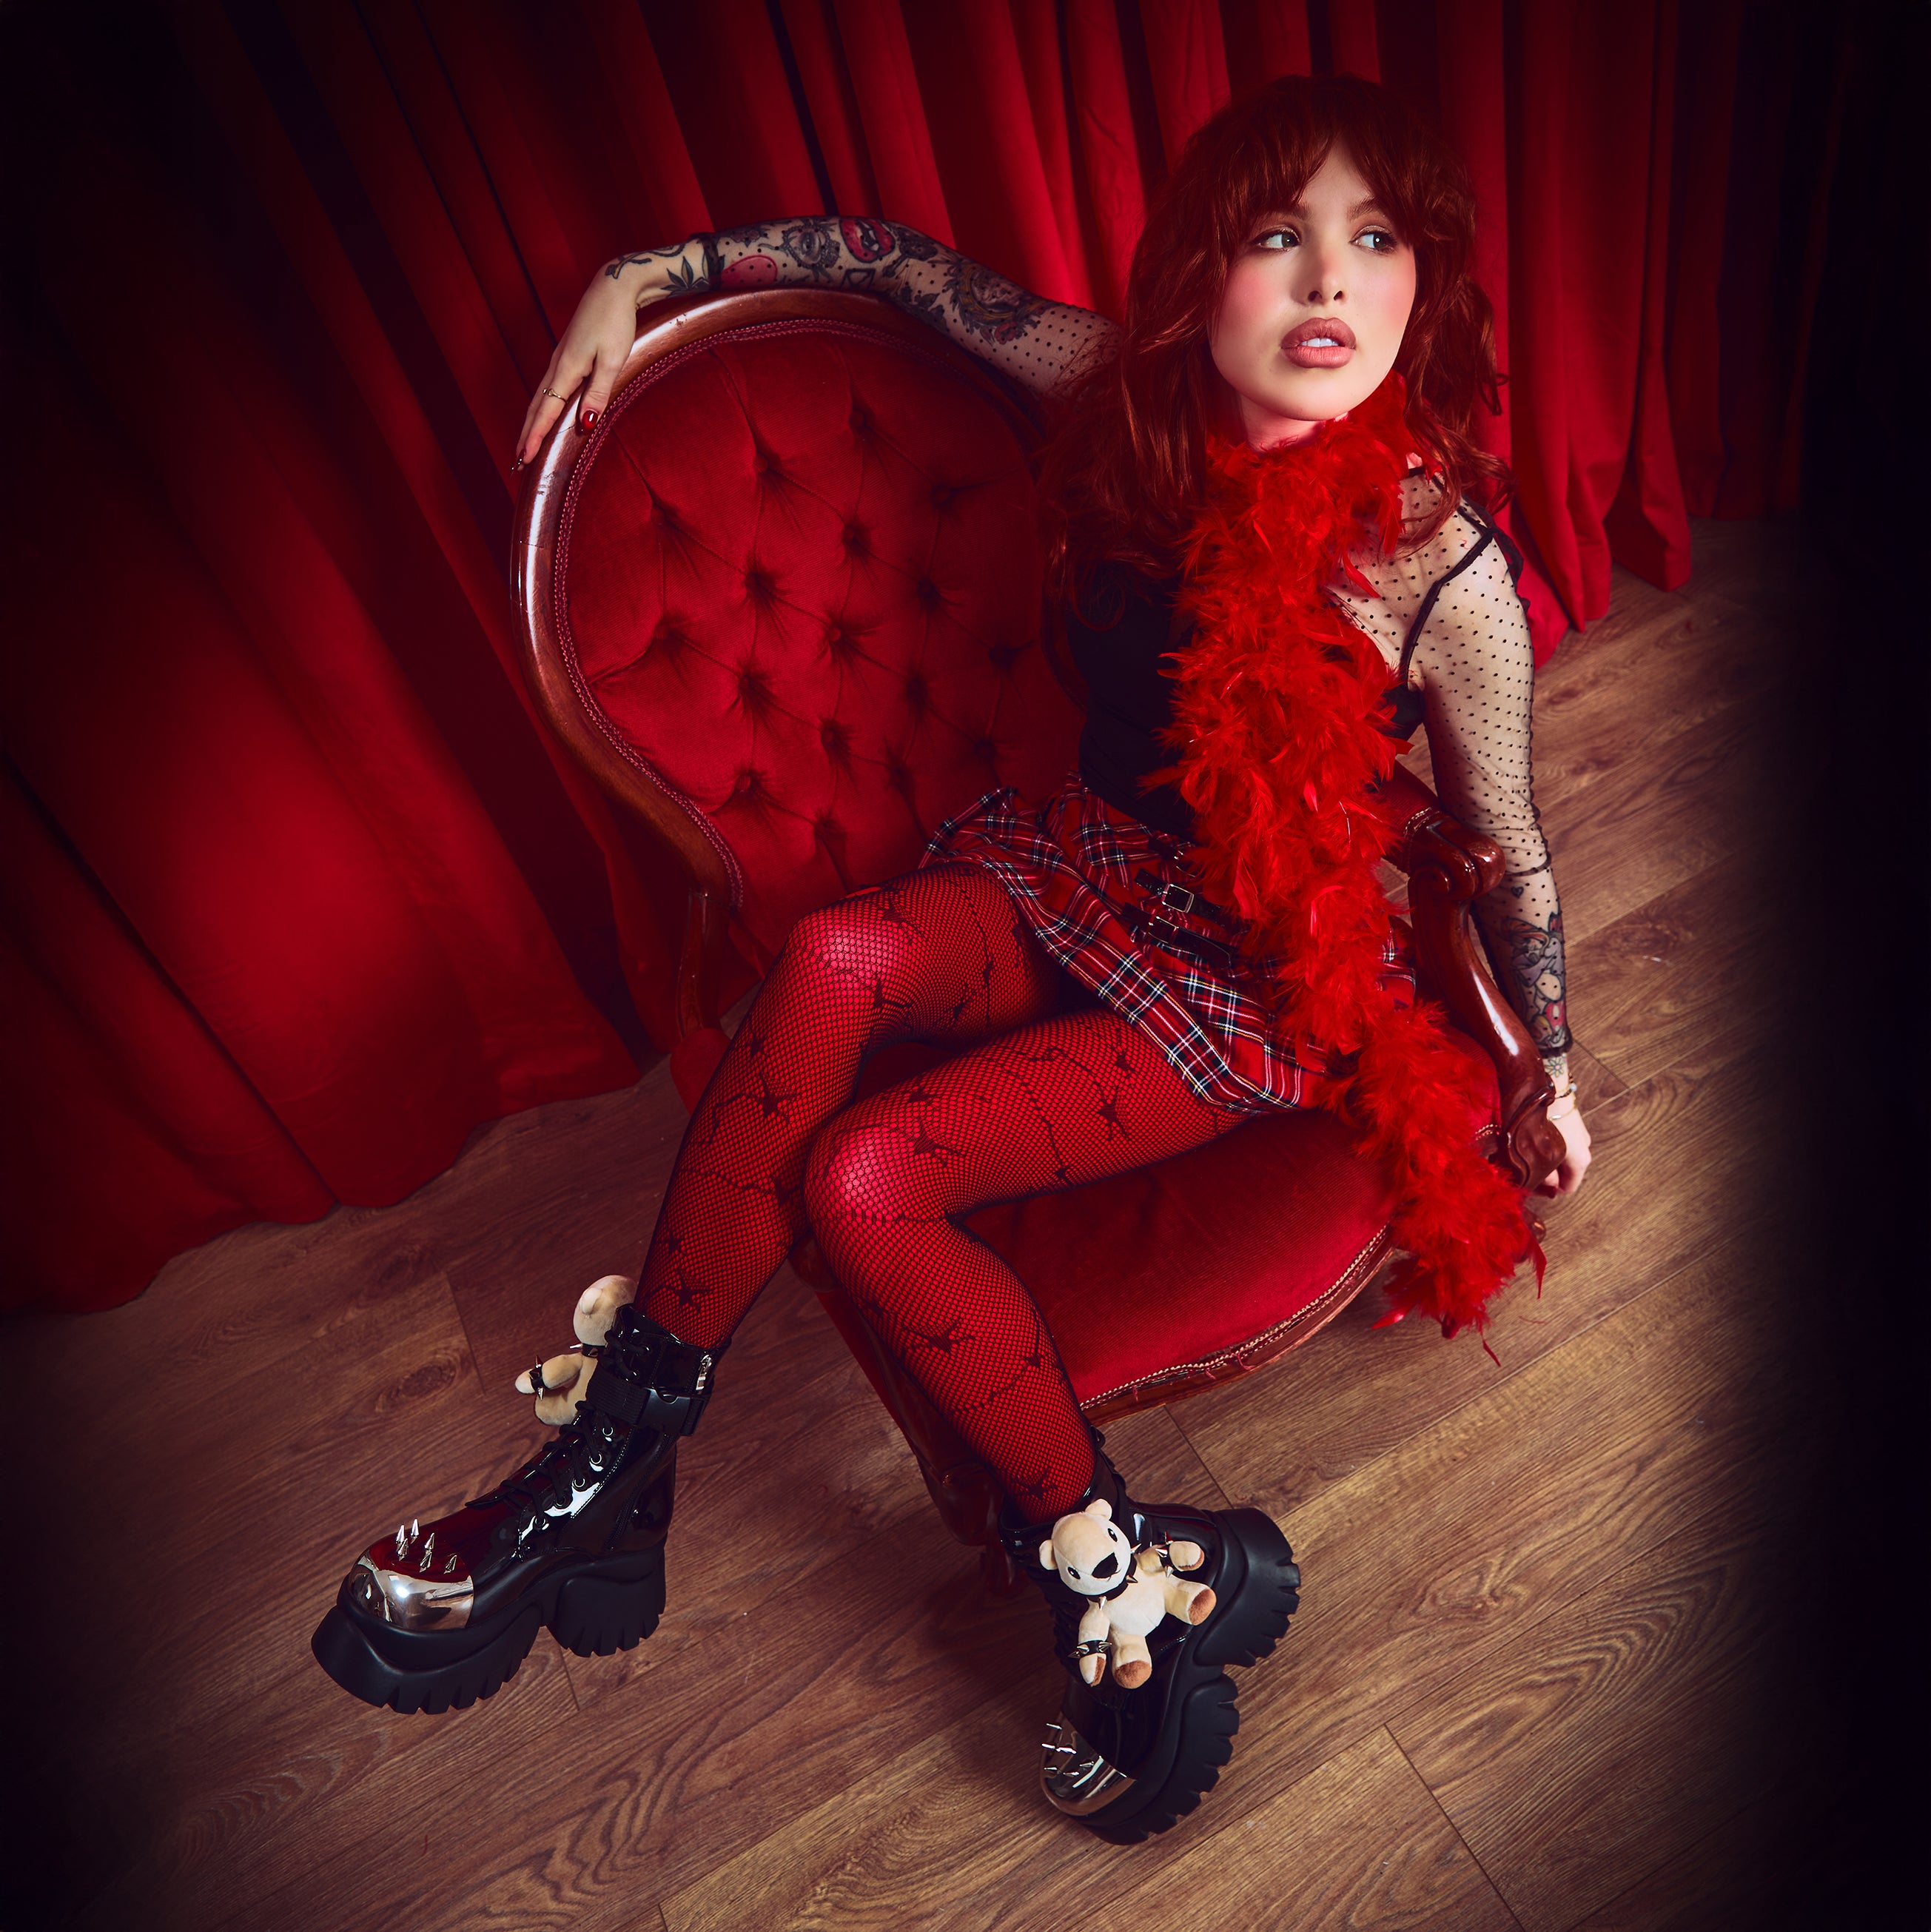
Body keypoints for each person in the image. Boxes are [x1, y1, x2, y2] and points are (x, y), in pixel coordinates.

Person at [312, 74, 1591, 1843]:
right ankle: (613, 1463)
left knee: (866, 1177)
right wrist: (646, 271)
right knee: (839, 951)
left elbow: (1509, 845)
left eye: (1375, 238)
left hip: (1244, 985)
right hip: (1081, 869)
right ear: (1201, 277)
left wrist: (1549, 1067)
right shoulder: (1125, 394)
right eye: (1277, 234)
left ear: (1423, 278)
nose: (1329, 282)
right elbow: (899, 266)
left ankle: (1110, 1578)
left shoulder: (1443, 573)